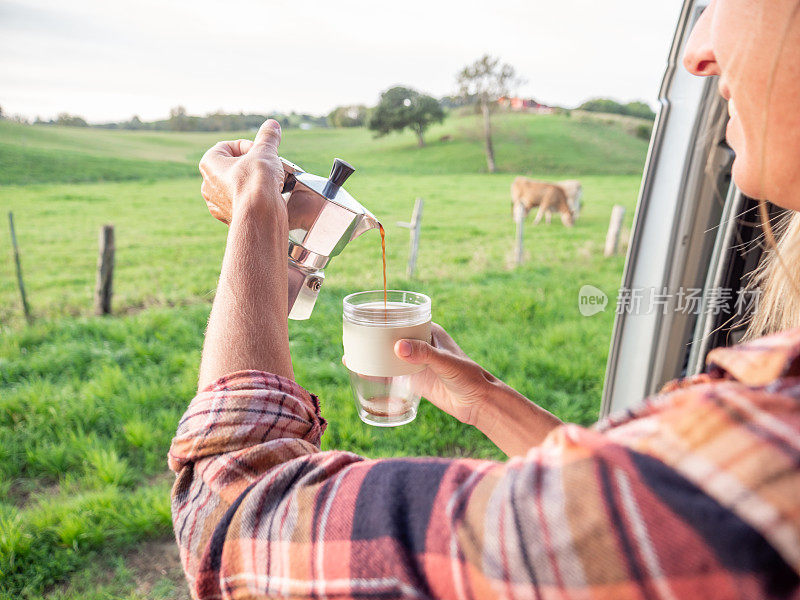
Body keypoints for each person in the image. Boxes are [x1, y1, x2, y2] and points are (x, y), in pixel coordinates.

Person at [169, 1, 800, 597]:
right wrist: (486, 400)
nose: (696, 51)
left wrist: (256, 212)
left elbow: (237, 521)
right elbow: (618, 494)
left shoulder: (773, 440)